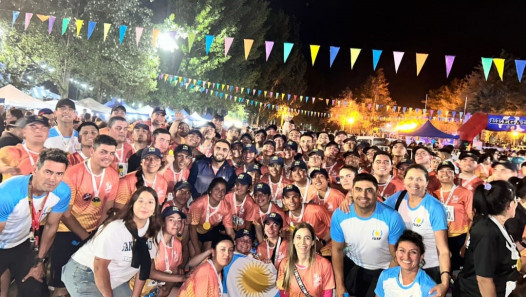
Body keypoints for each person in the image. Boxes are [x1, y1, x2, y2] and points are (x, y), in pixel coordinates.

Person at [49, 135, 120, 297]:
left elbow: (107, 210)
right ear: (92, 151)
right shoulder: (72, 174)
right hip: (66, 231)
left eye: (111, 153)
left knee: (86, 280)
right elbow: (65, 214)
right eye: (103, 152)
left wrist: (98, 235)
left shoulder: (113, 175)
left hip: (92, 233)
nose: (108, 157)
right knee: (61, 287)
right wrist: (87, 238)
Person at [62, 187, 160, 297]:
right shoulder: (116, 228)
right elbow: (99, 266)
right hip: (85, 271)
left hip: (113, 279)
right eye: (140, 201)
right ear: (132, 205)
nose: (144, 205)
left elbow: (144, 268)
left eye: (150, 202)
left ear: (155, 209)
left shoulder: (154, 233)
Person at [0, 148, 71, 297]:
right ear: (35, 170)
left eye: (59, 174)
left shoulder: (62, 192)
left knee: (34, 288)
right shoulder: (8, 192)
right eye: (48, 172)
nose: (53, 179)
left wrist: (39, 261)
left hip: (22, 243)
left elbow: (51, 226)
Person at [331, 173, 406, 297]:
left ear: (377, 192)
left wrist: (384, 284)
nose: (363, 195)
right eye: (358, 190)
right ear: (352, 192)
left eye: (369, 190)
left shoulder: (392, 217)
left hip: (383, 270)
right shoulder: (340, 214)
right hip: (354, 267)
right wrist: (340, 285)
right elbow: (337, 250)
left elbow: (396, 257)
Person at [384, 164, 451, 297]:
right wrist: (350, 198)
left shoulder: (434, 207)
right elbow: (375, 209)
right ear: (404, 181)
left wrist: (444, 282)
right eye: (410, 178)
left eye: (419, 179)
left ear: (427, 183)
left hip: (429, 268)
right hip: (403, 266)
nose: (414, 183)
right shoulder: (397, 198)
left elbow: (443, 250)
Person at [455, 181, 521, 297]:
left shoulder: (493, 223)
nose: (517, 203)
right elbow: (484, 279)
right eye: (515, 200)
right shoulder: (487, 232)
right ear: (509, 205)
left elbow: (502, 253)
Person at [130, 205, 186, 297]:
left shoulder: (177, 244)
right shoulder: (152, 241)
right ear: (163, 222)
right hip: (138, 289)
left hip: (157, 289)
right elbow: (149, 272)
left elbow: (175, 270)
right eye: (171, 220)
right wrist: (181, 278)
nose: (176, 224)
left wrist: (167, 289)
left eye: (179, 220)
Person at [433, 161, 474, 271]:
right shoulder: (433, 194)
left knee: (457, 270)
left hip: (459, 237)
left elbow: (472, 219)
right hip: (439, 236)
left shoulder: (465, 193)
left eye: (449, 171)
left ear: (455, 175)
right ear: (436, 176)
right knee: (442, 269)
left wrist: (466, 243)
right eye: (441, 171)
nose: (445, 173)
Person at [277, 222, 335, 297]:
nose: (302, 242)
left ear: (313, 242)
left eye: (307, 238)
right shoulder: (285, 263)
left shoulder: (324, 264)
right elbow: (284, 292)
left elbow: (327, 294)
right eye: (298, 237)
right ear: (293, 240)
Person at [374, 230, 437, 297]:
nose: (406, 257)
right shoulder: (385, 275)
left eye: (413, 252)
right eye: (402, 250)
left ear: (421, 256)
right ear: (396, 252)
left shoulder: (429, 288)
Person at [188, 178, 235, 255]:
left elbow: (230, 232)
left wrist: (232, 248)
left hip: (211, 231)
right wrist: (197, 250)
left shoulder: (226, 207)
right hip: (195, 231)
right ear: (210, 190)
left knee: (208, 256)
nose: (220, 192)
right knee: (195, 256)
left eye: (223, 190)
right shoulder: (198, 204)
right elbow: (192, 229)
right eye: (217, 189)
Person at [282, 185, 332, 254]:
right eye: (287, 198)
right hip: (307, 252)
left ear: (300, 198)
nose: (291, 201)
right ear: (283, 201)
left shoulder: (316, 210)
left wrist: (322, 242)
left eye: (295, 197)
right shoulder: (286, 217)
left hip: (327, 249)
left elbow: (336, 227)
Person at [0, 115, 50, 180]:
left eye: (43, 128)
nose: (38, 131)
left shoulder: (54, 156)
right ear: (24, 132)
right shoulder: (11, 151)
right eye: (33, 127)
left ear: (48, 133)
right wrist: (4, 167)